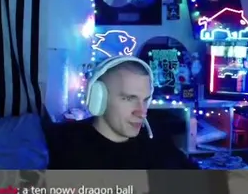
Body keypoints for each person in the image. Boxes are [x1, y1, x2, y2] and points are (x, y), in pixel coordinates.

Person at [46, 57, 198, 170]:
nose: (142, 112)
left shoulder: (158, 145)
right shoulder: (61, 144)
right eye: (129, 98)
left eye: (145, 100)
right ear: (98, 98)